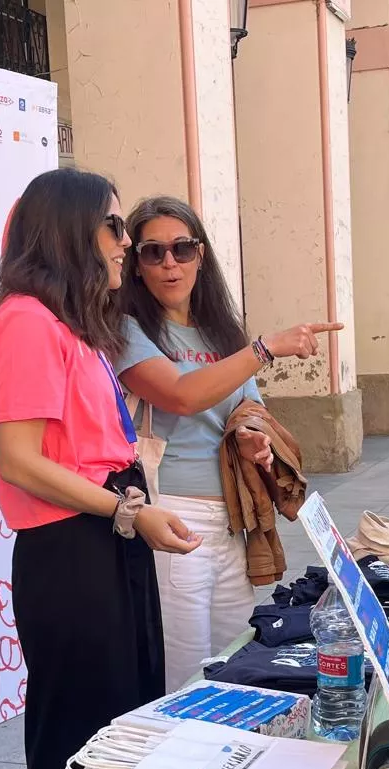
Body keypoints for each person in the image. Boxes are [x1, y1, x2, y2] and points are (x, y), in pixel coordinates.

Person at [0, 169, 203, 769]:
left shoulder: (71, 323)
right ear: (67, 232)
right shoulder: (25, 320)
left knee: (123, 721)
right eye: (113, 226)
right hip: (71, 549)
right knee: (79, 733)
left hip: (107, 534)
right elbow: (20, 460)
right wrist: (127, 512)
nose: (125, 243)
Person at [114, 195, 342, 690]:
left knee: (238, 662)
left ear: (201, 255)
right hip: (173, 511)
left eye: (182, 248)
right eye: (153, 252)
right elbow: (180, 395)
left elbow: (247, 409)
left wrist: (252, 440)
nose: (170, 263)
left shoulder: (219, 327)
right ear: (135, 265)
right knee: (186, 677)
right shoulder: (127, 329)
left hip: (234, 516)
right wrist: (265, 348)